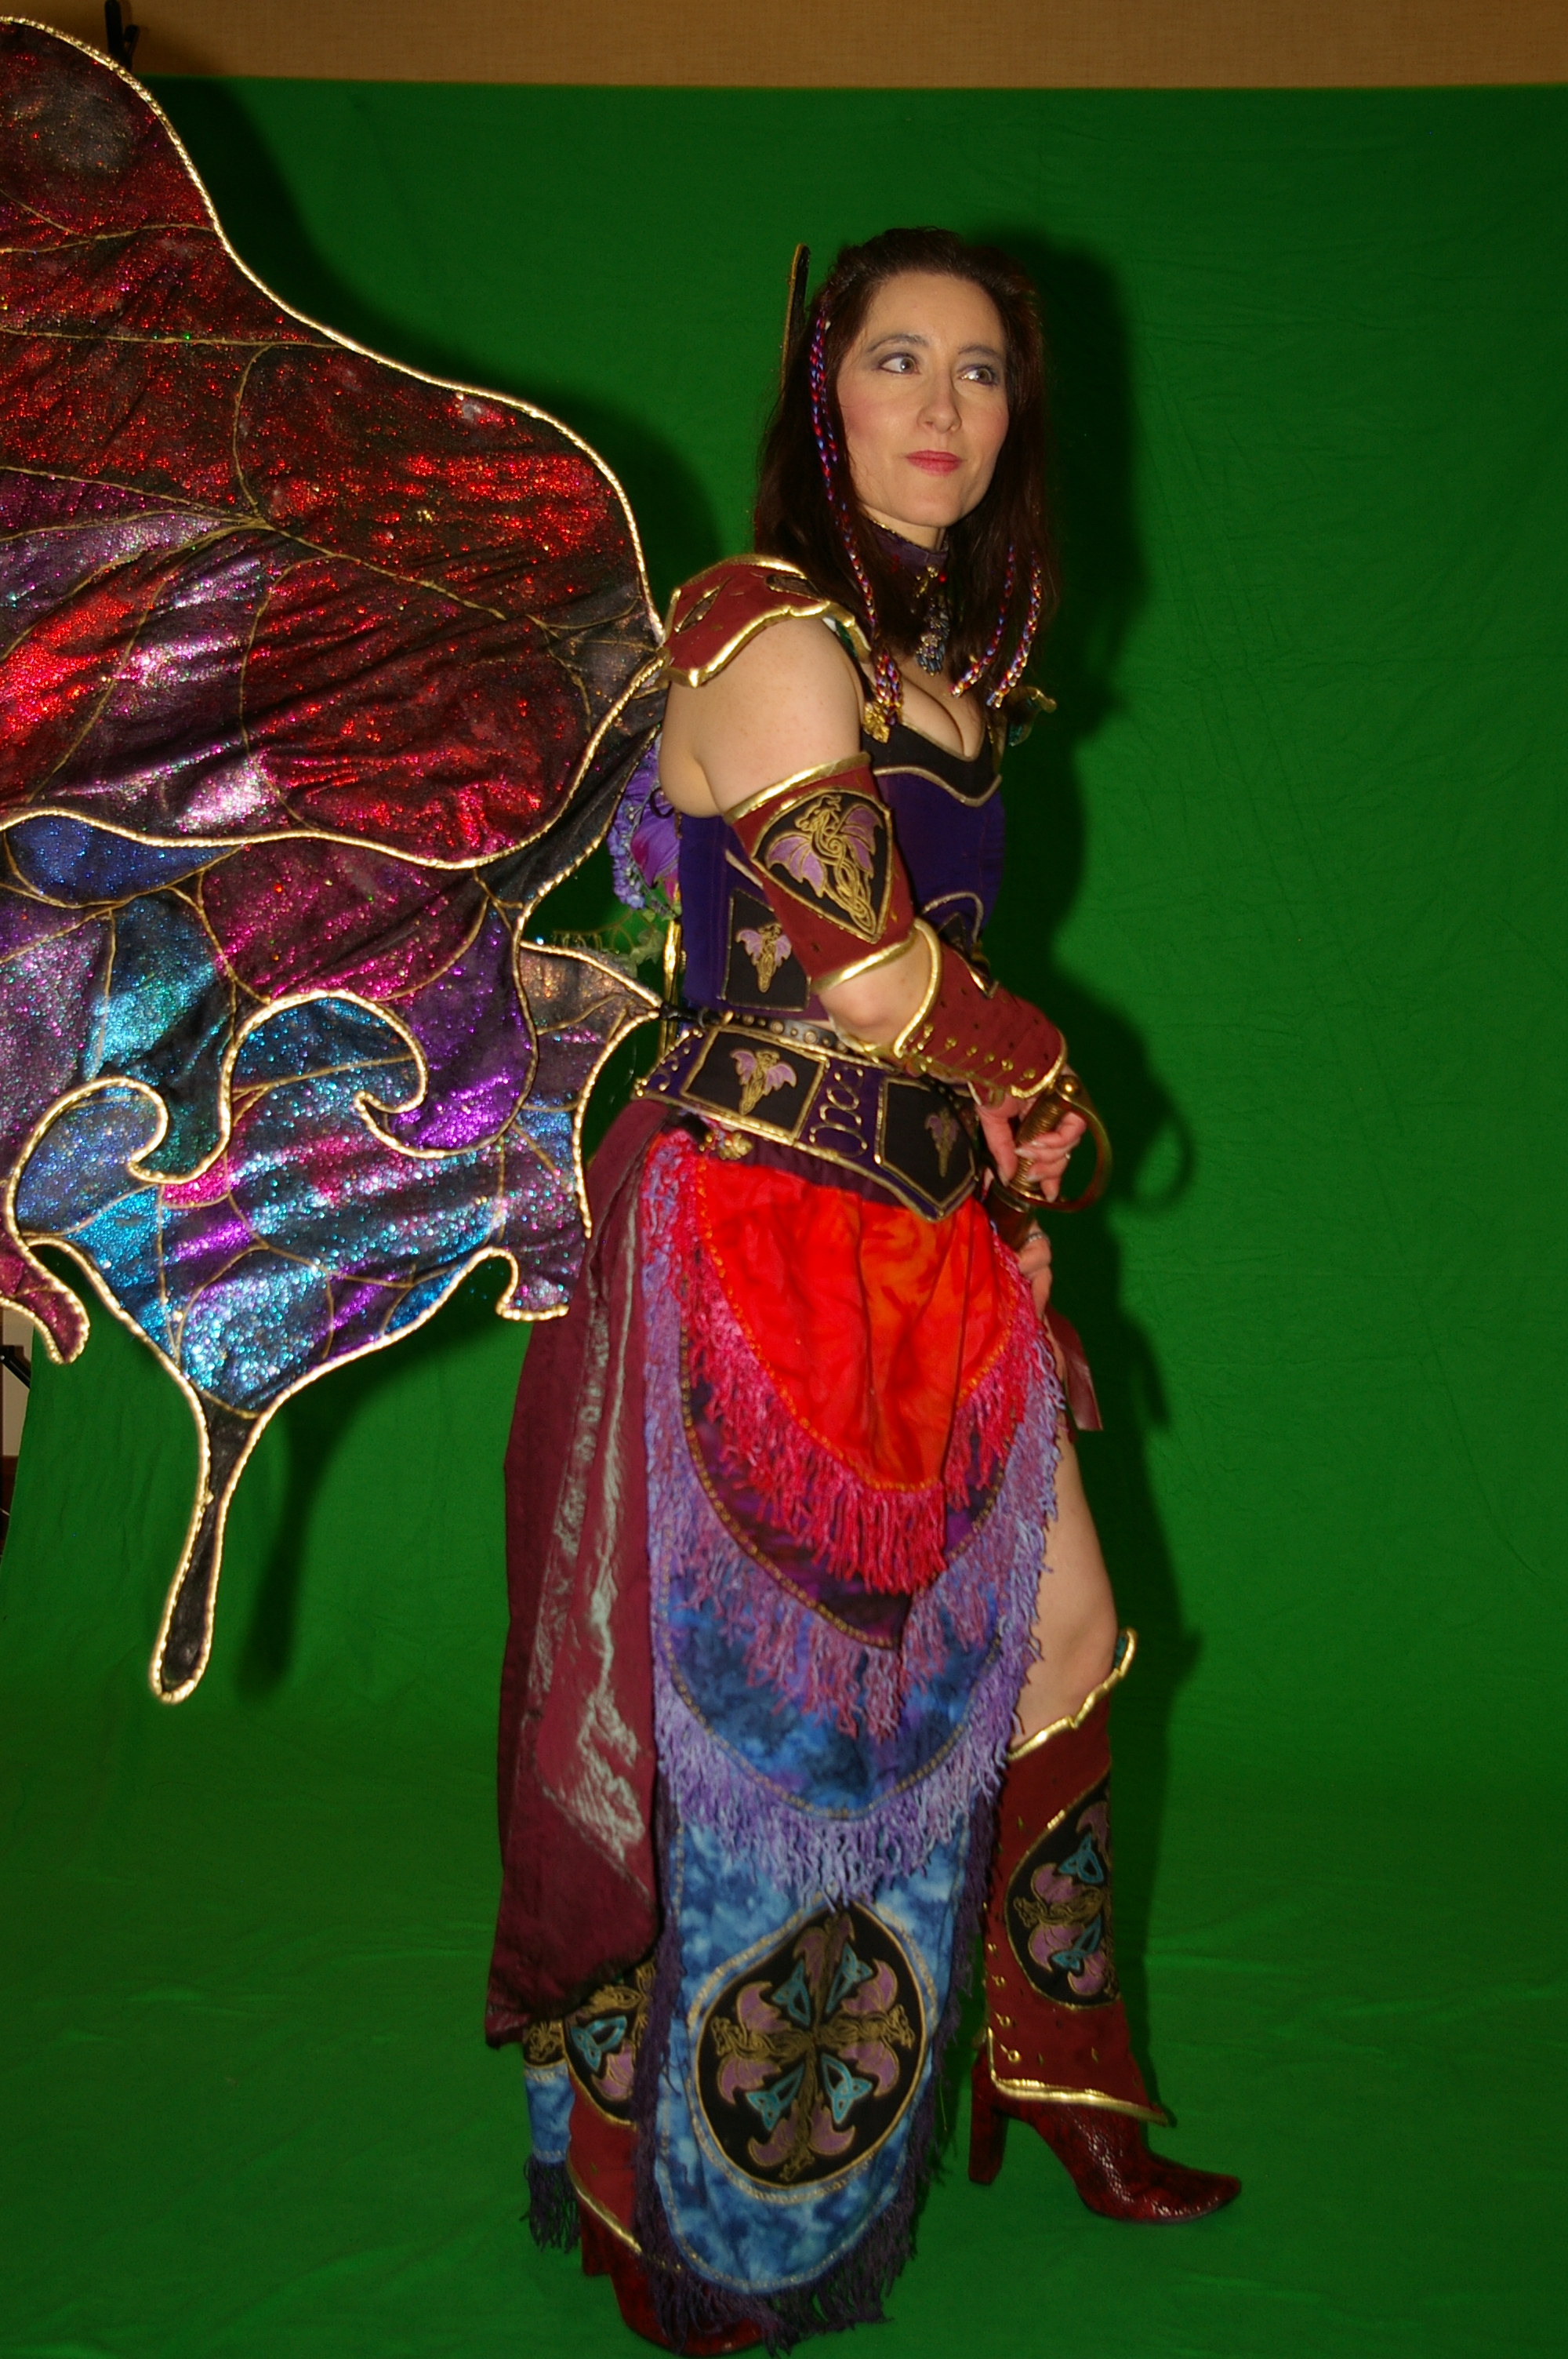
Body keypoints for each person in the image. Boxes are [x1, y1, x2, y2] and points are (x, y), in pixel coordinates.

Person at [485, 227, 1238, 2353]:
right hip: (748, 1249)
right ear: (821, 400)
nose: (942, 406)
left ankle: (1063, 2081)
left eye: (981, 372)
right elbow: (871, 969)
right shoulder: (762, 625)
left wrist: (1005, 1164)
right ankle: (691, 2196)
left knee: (1070, 1634)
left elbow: (933, 1020)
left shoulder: (950, 688)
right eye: (897, 360)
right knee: (760, 1739)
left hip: (921, 1242)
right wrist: (1036, 1070)